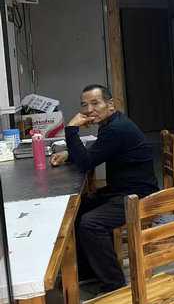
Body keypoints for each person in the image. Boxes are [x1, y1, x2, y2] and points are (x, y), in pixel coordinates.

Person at [51, 84, 158, 293]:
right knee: (78, 210)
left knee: (90, 223)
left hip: (138, 197)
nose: (89, 109)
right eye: (84, 105)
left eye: (95, 103)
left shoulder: (116, 129)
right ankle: (90, 270)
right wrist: (69, 154)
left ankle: (114, 284)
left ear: (110, 104)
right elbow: (98, 152)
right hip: (122, 191)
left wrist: (71, 129)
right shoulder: (111, 124)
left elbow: (86, 163)